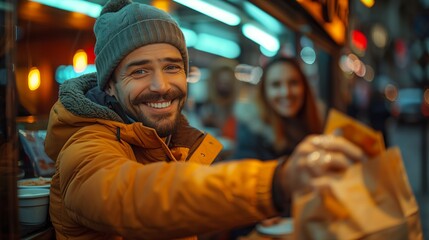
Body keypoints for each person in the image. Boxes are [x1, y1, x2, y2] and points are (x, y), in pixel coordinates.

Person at [44, 1, 365, 239]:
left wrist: (249, 215)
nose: (161, 85)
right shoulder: (83, 147)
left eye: (172, 67)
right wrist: (274, 183)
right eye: (140, 71)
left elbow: (189, 207)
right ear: (110, 85)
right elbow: (138, 196)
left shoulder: (177, 143)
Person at [230, 57, 324, 238]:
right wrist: (258, 214)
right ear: (264, 92)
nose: (286, 92)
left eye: (293, 83)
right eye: (275, 85)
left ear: (305, 87)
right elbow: (241, 190)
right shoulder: (251, 128)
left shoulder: (316, 124)